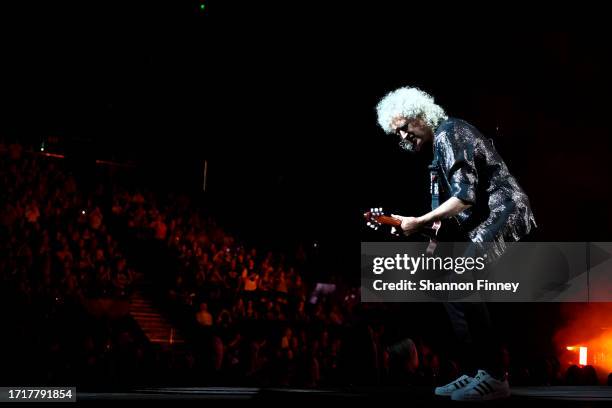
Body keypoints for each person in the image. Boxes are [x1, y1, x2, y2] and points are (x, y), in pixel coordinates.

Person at [375, 87, 536, 401]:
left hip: (505, 212)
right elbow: (444, 218)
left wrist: (418, 222)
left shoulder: (450, 133)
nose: (403, 138)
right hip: (483, 222)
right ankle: (475, 370)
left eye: (405, 128)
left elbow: (464, 197)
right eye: (397, 134)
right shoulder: (437, 151)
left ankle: (494, 376)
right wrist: (412, 228)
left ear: (421, 116)